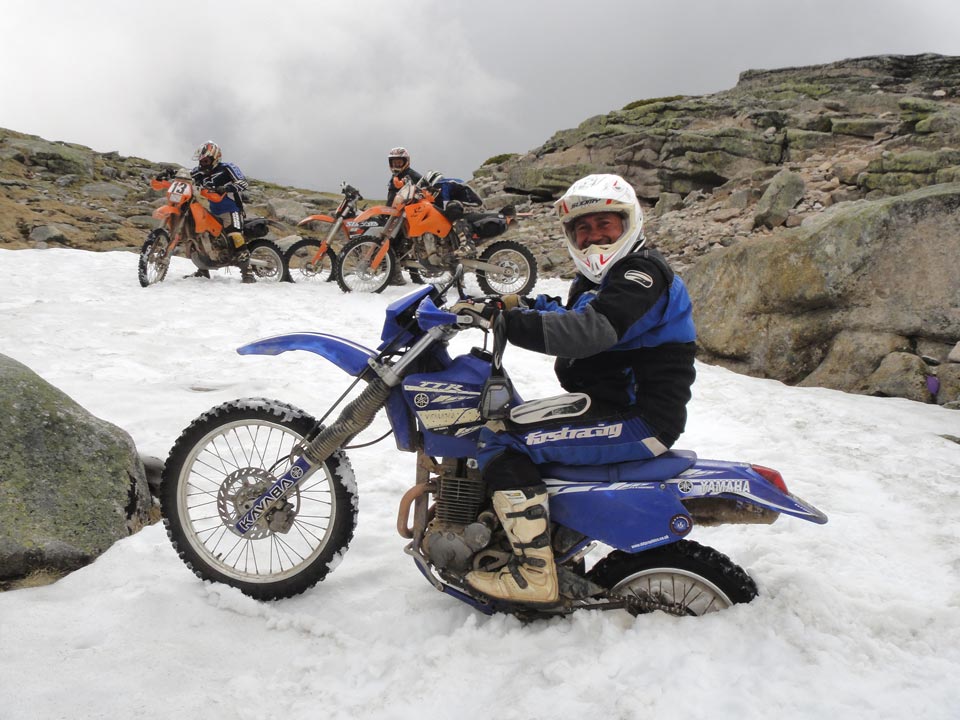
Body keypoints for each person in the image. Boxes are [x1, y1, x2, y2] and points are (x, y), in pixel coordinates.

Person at [459, 173, 697, 605]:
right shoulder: (603, 279)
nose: (592, 238)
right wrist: (516, 304)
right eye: (582, 229)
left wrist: (508, 323)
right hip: (612, 406)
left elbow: (590, 329)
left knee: (502, 440)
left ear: (629, 224)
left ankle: (534, 574)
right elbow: (576, 311)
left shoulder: (642, 275)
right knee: (503, 419)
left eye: (605, 225)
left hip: (639, 419)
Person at [189, 141, 254, 283]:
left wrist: (226, 188)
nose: (203, 164)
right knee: (201, 236)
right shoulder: (198, 172)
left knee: (234, 234)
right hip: (213, 210)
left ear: (215, 158)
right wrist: (171, 173)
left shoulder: (227, 168)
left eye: (205, 161)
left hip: (232, 209)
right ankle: (203, 269)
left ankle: (247, 271)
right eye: (201, 161)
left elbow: (243, 183)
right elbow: (187, 176)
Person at [384, 147, 421, 286]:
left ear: (406, 161)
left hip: (406, 216)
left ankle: (395, 275)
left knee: (392, 242)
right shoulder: (394, 177)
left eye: (399, 162)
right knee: (398, 244)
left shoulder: (412, 175)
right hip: (395, 213)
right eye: (394, 162)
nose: (396, 165)